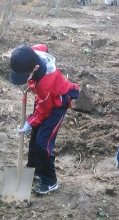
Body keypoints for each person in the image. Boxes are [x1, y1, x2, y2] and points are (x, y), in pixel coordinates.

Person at [9, 44, 80, 195]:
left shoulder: (45, 83)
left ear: (35, 68)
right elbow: (43, 47)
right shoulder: (35, 54)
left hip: (57, 104)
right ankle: (33, 169)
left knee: (42, 143)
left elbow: (44, 109)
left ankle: (50, 181)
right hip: (45, 100)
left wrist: (30, 122)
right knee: (34, 137)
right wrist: (32, 124)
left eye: (25, 75)